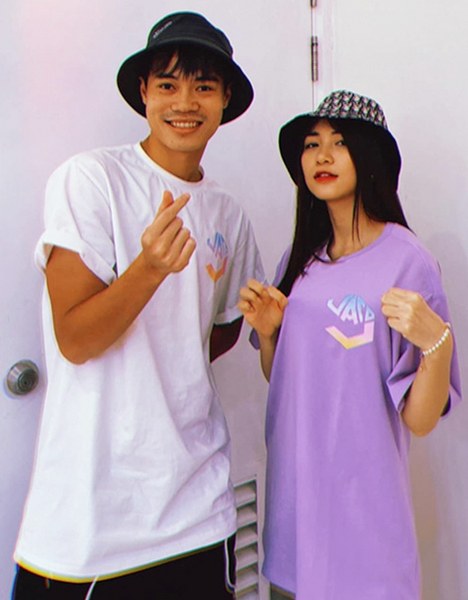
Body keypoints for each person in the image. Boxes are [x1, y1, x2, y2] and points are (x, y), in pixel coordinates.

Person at [12, 11, 264, 600]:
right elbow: (76, 340)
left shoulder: (227, 213)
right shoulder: (90, 180)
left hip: (199, 512)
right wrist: (148, 270)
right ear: (144, 91)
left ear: (225, 99)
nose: (186, 102)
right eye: (168, 84)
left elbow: (219, 330)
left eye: (204, 86)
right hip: (93, 527)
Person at [238, 90, 462, 600]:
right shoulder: (299, 260)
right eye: (311, 144)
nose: (322, 156)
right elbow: (285, 378)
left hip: (365, 526)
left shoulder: (407, 261)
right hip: (295, 516)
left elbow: (421, 419)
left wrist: (439, 344)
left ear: (369, 156)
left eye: (339, 142)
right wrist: (270, 334)